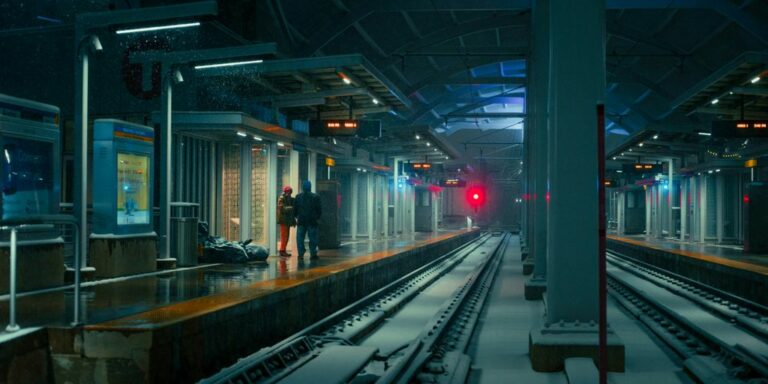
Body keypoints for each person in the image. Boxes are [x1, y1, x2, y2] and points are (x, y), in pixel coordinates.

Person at [294, 180, 321, 259]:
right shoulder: (316, 197)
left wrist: (296, 216)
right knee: (313, 238)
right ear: (310, 187)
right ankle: (313, 253)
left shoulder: (298, 196)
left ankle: (301, 253)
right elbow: (319, 209)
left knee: (300, 238)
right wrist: (317, 218)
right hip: (312, 221)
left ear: (302, 187)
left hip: (301, 220)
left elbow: (295, 209)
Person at [277, 186, 295, 257]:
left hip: (286, 220)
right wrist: (292, 207)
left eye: (290, 192)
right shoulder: (281, 198)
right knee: (284, 236)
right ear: (286, 192)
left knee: (286, 236)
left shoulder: (287, 198)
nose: (289, 194)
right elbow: (283, 209)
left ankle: (283, 250)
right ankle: (282, 250)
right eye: (288, 192)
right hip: (284, 220)